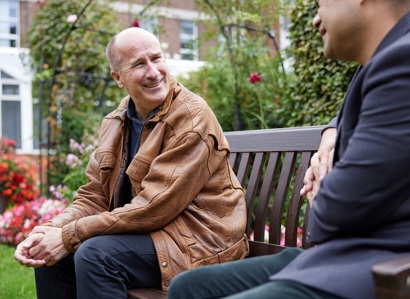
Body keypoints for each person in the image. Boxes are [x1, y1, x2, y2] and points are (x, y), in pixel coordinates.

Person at [167, 1, 410, 298]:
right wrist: (332, 131)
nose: (315, 21)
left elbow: (333, 214)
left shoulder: (401, 61)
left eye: (320, 4)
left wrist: (324, 187)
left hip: (385, 266)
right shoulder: (382, 60)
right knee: (187, 286)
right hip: (346, 254)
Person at [14, 27, 249, 299]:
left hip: (200, 242)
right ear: (118, 78)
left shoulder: (191, 117)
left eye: (156, 58)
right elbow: (94, 195)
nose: (153, 71)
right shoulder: (116, 122)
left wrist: (69, 235)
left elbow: (154, 206)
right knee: (52, 256)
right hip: (156, 235)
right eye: (139, 63)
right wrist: (52, 231)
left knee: (94, 255)